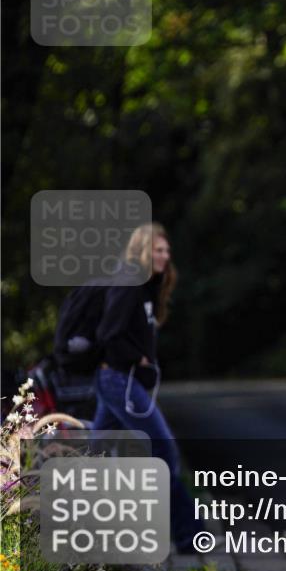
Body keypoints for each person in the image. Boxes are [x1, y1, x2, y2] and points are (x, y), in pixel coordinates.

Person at [92, 222, 204, 552]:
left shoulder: (146, 288)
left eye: (167, 250)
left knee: (97, 453)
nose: (165, 256)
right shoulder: (129, 284)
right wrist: (137, 358)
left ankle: (83, 532)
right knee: (164, 451)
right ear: (142, 251)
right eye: (158, 250)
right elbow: (108, 335)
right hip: (118, 381)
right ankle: (189, 535)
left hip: (117, 380)